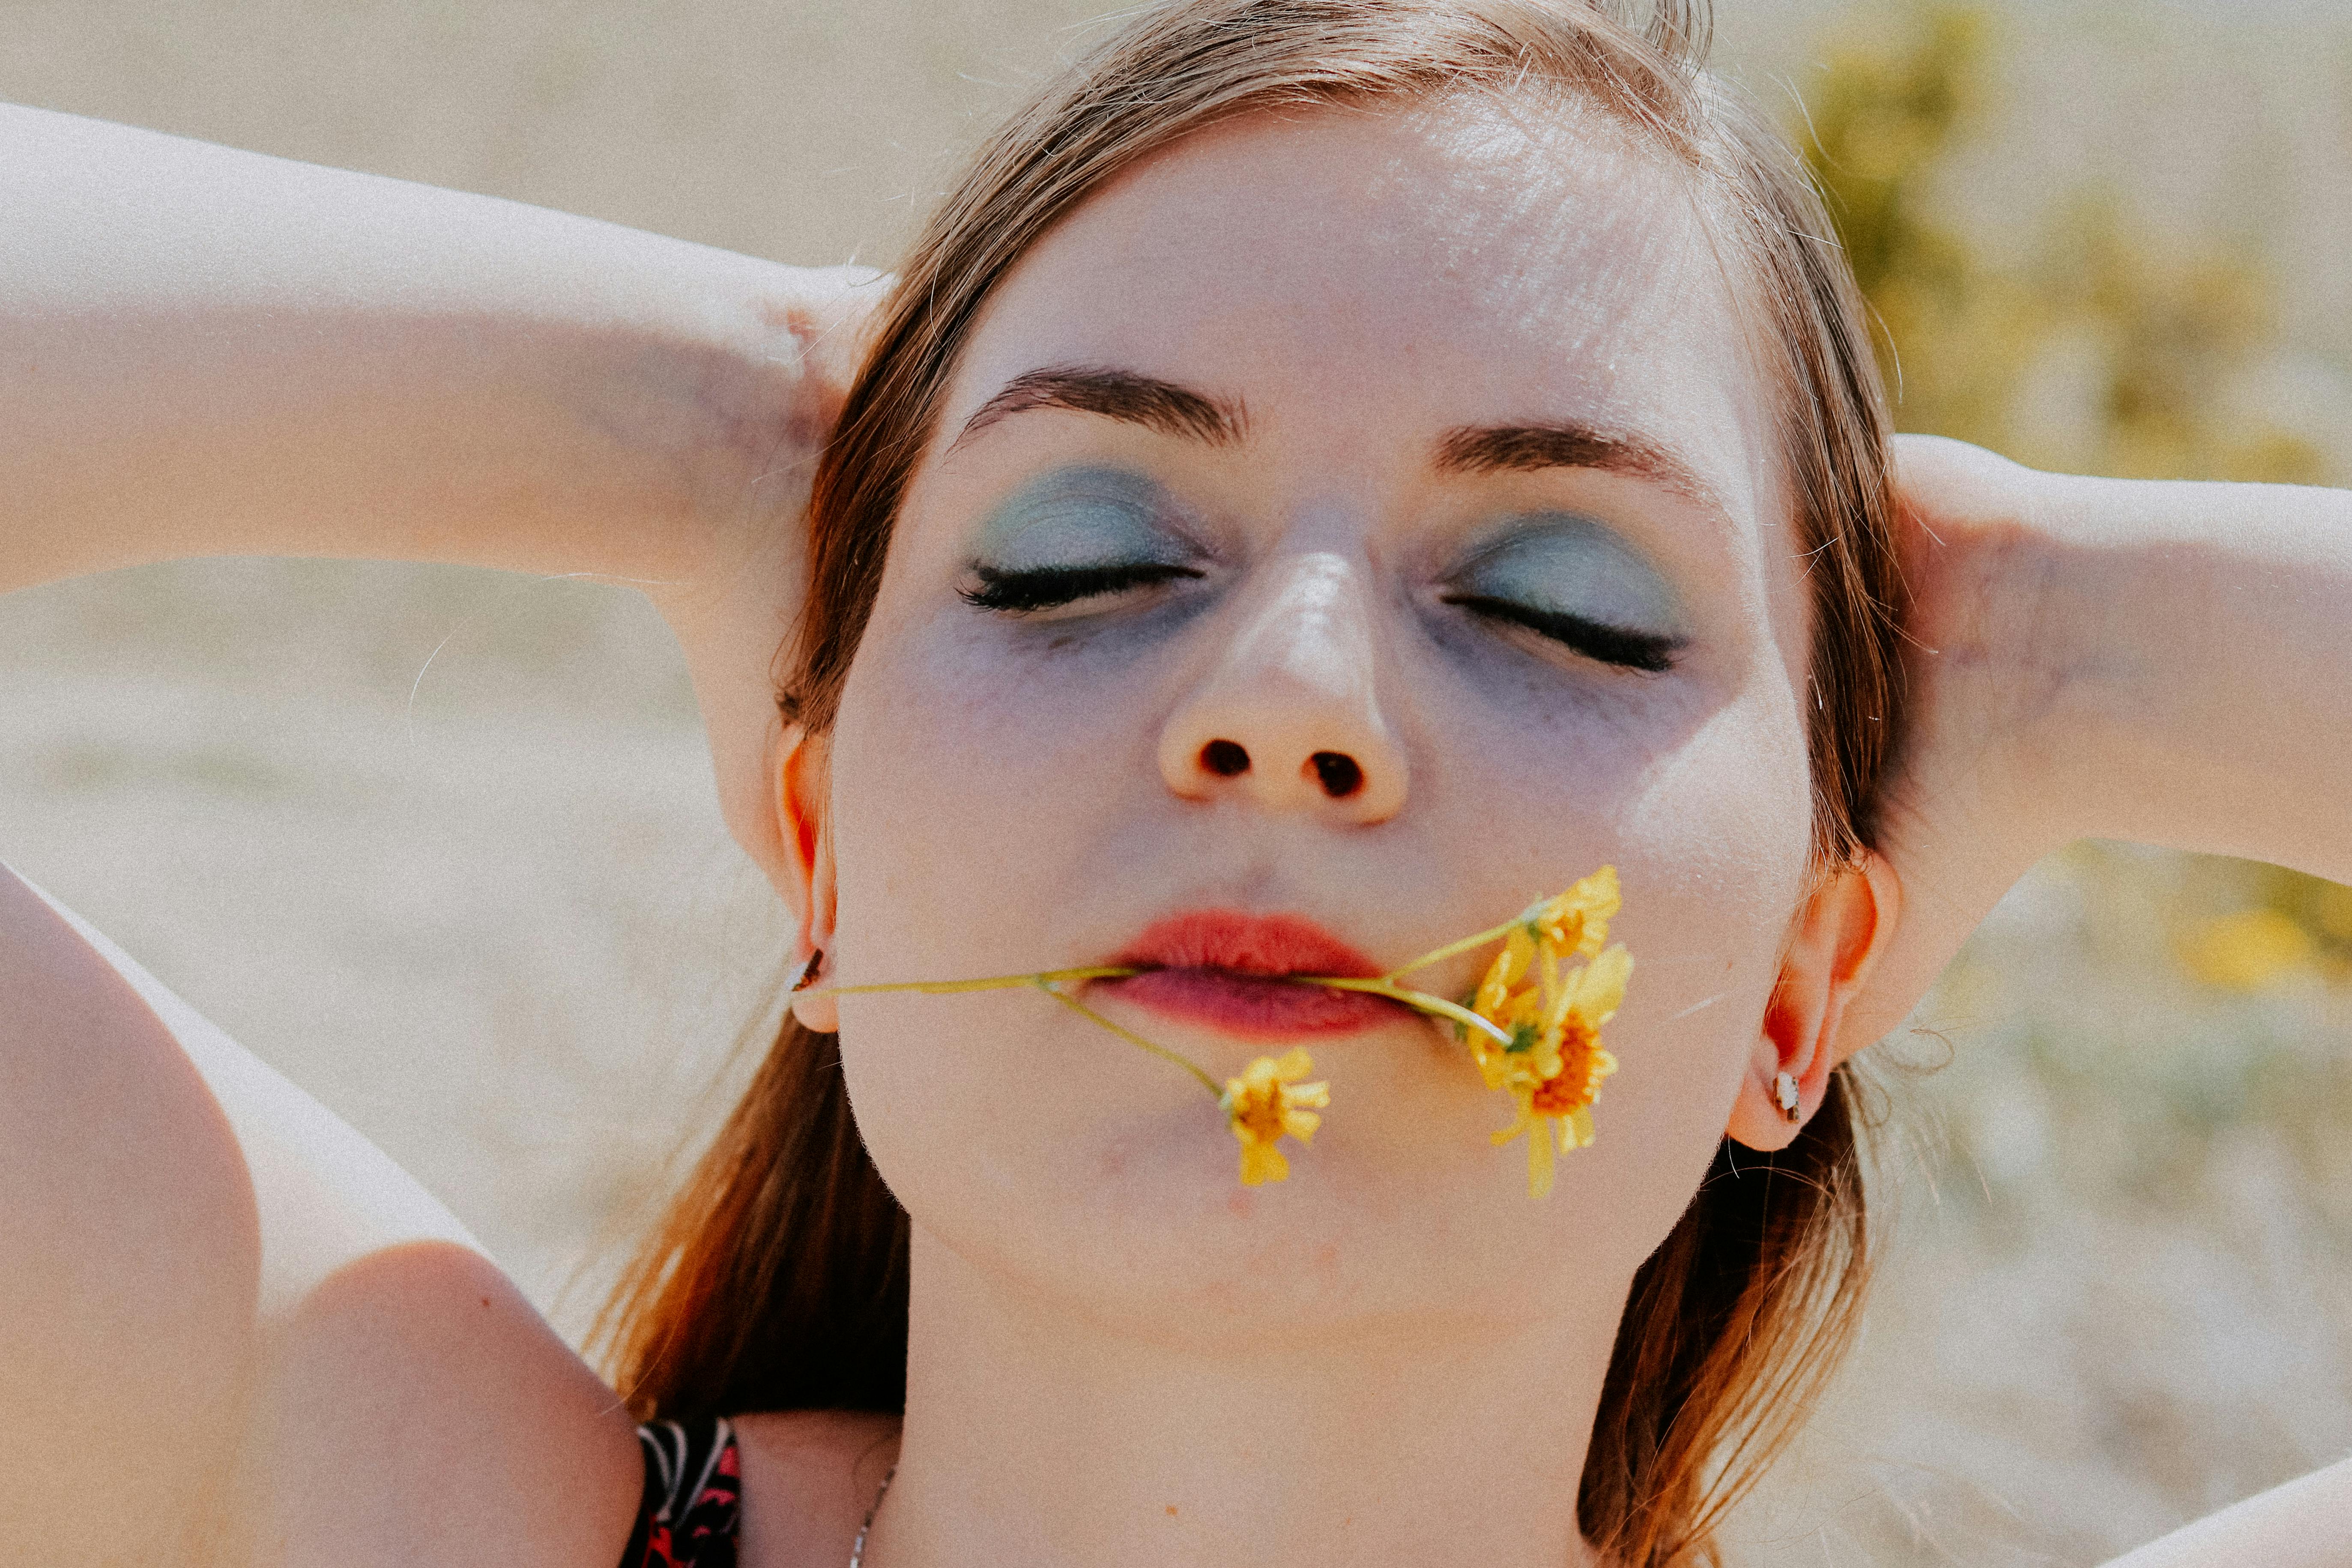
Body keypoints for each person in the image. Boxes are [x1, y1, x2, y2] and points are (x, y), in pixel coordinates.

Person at [1, 1, 2346, 1564]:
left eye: (1558, 603)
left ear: (1800, 991)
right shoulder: (362, 1496)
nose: (1290, 695)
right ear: (818, 859)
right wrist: (733, 403)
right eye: (1079, 556)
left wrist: (2054, 635)